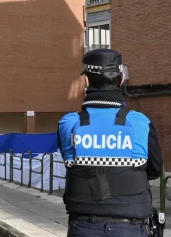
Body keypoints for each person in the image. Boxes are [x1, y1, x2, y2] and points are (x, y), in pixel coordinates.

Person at [57, 49, 163, 237]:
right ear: (121, 79)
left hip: (84, 227)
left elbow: (70, 163)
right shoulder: (140, 123)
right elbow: (154, 171)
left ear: (87, 81)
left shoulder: (69, 123)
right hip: (131, 228)